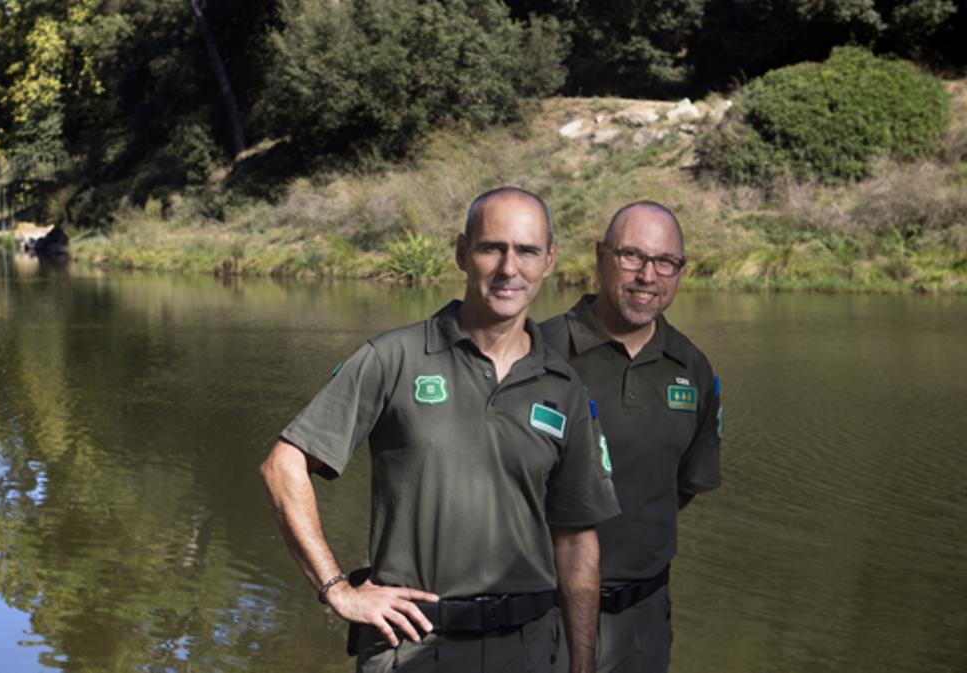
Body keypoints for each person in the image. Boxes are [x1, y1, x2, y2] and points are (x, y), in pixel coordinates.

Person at [260, 187, 620, 673]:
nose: (509, 268)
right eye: (492, 247)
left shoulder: (565, 389)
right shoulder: (394, 357)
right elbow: (284, 465)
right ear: (461, 252)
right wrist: (337, 589)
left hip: (530, 651)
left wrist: (583, 664)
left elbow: (576, 541)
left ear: (550, 260)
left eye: (528, 251)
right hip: (411, 647)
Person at [539, 202, 723, 673]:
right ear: (601, 256)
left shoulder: (693, 368)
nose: (648, 276)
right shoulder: (538, 352)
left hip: (642, 625)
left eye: (666, 263)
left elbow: (680, 487)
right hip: (540, 617)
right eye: (631, 257)